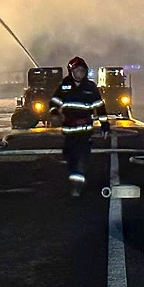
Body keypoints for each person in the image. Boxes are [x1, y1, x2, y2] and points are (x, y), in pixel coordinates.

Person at [50, 56, 110, 197]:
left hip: (85, 131)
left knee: (82, 158)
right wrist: (54, 113)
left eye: (82, 71)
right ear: (71, 72)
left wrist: (105, 125)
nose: (80, 73)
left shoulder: (90, 87)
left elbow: (99, 107)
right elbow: (54, 102)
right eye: (77, 71)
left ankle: (77, 186)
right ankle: (76, 177)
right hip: (69, 131)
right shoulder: (64, 86)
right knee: (70, 157)